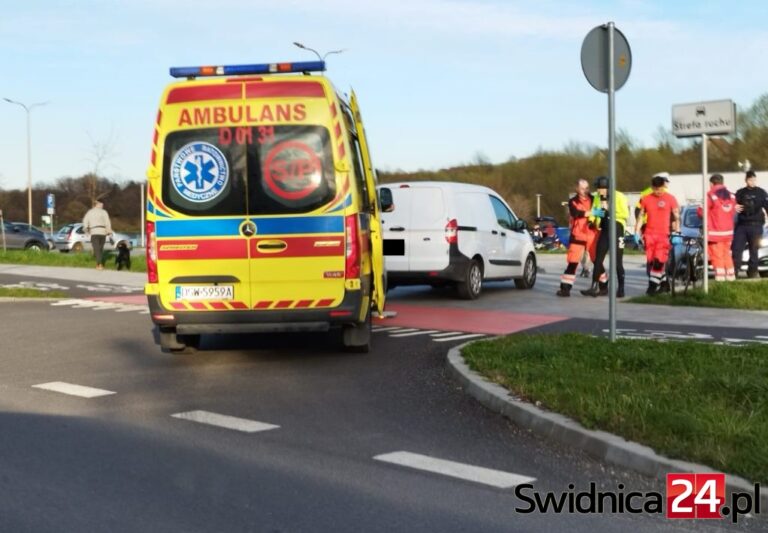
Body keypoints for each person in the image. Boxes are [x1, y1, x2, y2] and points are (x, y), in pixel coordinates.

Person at [581, 176, 630, 297]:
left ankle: (621, 288)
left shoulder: (619, 196)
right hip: (605, 229)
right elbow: (595, 211)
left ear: (607, 188)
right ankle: (594, 286)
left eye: (601, 189)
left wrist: (608, 210)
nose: (598, 191)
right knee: (598, 259)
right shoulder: (598, 197)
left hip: (617, 228)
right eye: (597, 189)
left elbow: (625, 214)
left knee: (617, 261)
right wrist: (592, 219)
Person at [635, 176, 680, 295]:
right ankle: (665, 285)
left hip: (664, 234)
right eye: (657, 189)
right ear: (652, 187)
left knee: (659, 261)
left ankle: (652, 287)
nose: (659, 192)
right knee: (651, 261)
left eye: (661, 189)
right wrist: (636, 232)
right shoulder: (646, 199)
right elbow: (640, 216)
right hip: (649, 235)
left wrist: (677, 232)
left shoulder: (670, 198)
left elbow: (676, 216)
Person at [557, 179, 599, 297]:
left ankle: (603, 286)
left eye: (587, 188)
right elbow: (576, 213)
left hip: (592, 234)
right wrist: (591, 213)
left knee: (597, 261)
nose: (585, 191)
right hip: (578, 235)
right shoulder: (573, 201)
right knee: (573, 262)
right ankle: (565, 289)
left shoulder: (594, 199)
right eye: (582, 188)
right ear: (577, 189)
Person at [699, 174, 737, 281]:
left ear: (711, 184)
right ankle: (731, 278)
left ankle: (720, 279)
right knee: (727, 255)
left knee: (717, 256)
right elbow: (732, 211)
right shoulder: (732, 196)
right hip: (728, 232)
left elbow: (702, 211)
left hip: (715, 233)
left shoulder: (710, 195)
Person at [732, 170, 768, 278]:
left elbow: (767, 207)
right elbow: (730, 204)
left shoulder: (761, 193)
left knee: (754, 250)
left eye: (754, 180)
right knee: (737, 249)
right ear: (746, 180)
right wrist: (734, 206)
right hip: (742, 226)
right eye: (750, 180)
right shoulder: (740, 193)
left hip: (756, 225)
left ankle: (752, 271)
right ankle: (734, 271)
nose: (752, 182)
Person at [634, 172, 669, 274]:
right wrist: (639, 228)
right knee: (654, 254)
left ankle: (657, 277)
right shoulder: (647, 193)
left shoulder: (666, 194)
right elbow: (638, 210)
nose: (667, 183)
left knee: (658, 254)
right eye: (666, 181)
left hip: (659, 227)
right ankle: (654, 277)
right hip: (649, 226)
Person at [82, 200, 113, 270]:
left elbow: (85, 221)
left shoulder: (90, 212)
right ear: (97, 204)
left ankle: (99, 264)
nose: (102, 206)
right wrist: (109, 231)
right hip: (103, 232)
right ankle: (99, 263)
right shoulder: (104, 212)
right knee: (100, 249)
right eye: (101, 204)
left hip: (94, 232)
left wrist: (86, 230)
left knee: (97, 249)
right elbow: (108, 222)